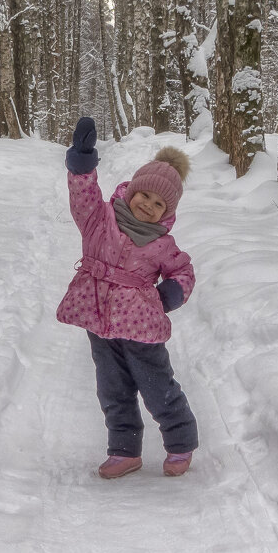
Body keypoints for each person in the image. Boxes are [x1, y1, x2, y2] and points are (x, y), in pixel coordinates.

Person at [57, 116, 199, 479]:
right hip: (99, 319)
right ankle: (124, 450)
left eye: (159, 205)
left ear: (167, 213)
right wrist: (83, 159)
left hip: (141, 326)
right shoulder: (99, 219)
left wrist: (169, 294)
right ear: (132, 189)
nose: (148, 206)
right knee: (112, 387)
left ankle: (180, 440)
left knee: (156, 385)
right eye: (145, 196)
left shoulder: (162, 243)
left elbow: (182, 271)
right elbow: (83, 195)